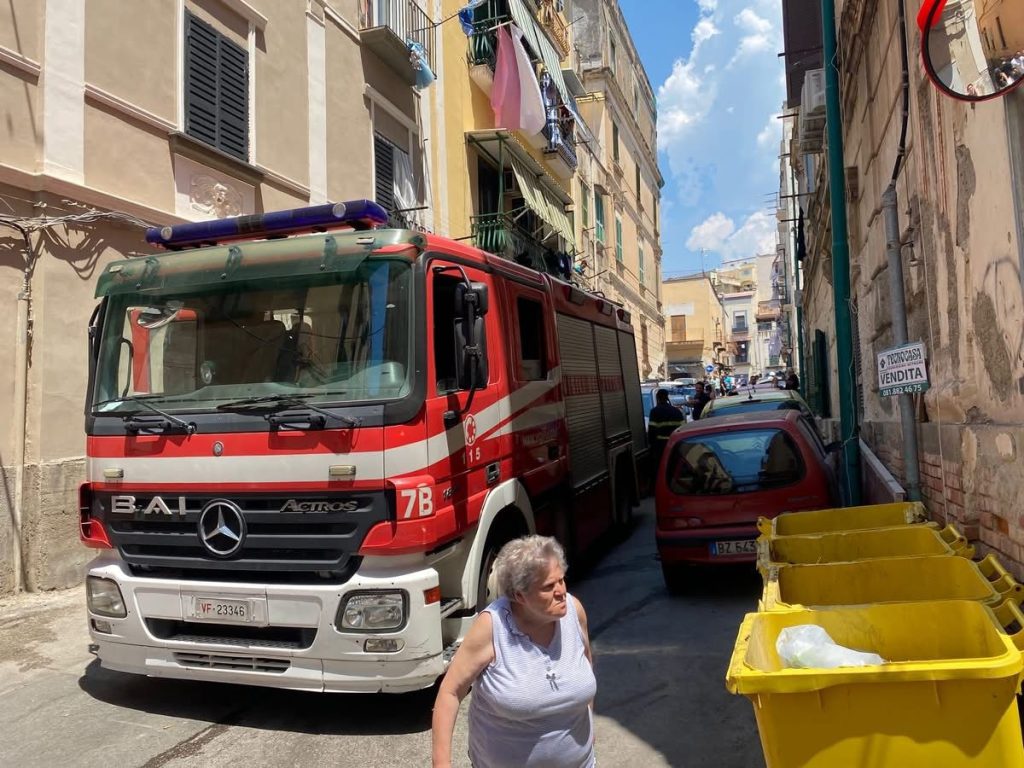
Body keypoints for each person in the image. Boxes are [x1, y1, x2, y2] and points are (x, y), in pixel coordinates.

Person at [431, 536, 596, 768]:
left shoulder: (574, 611)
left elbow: (585, 663)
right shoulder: (491, 627)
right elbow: (450, 692)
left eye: (562, 580)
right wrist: (441, 763)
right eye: (549, 586)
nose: (561, 592)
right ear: (520, 596)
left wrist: (588, 724)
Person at [647, 389, 685, 479]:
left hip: (661, 446)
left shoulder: (655, 411)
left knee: (663, 468)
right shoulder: (676, 411)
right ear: (667, 397)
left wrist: (651, 446)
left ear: (657, 398)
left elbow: (652, 430)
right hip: (676, 445)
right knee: (675, 468)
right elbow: (683, 429)